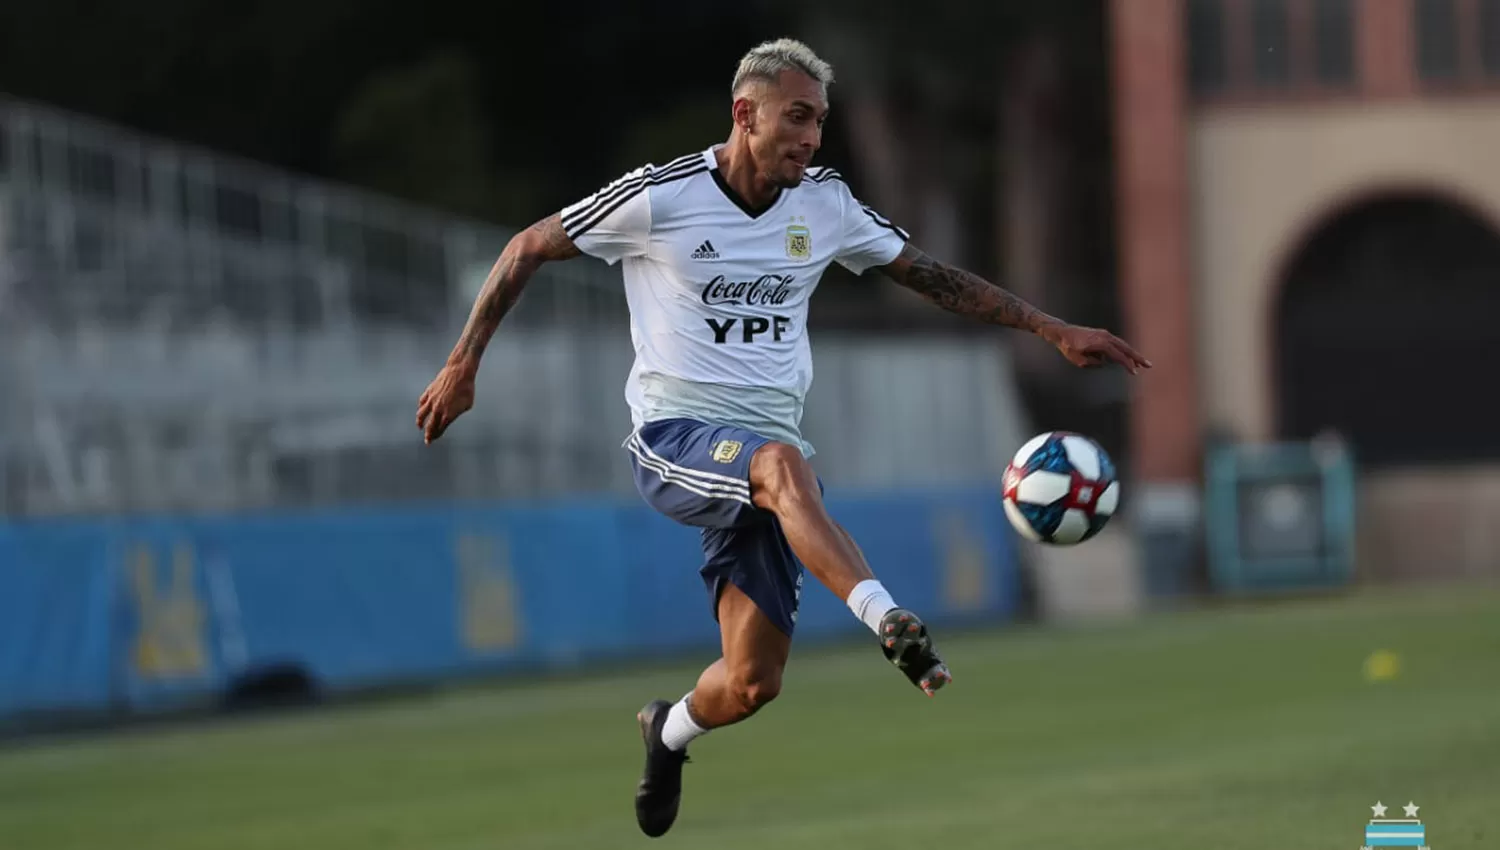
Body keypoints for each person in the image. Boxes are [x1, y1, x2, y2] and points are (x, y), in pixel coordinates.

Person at [416, 37, 1151, 838]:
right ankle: (890, 622)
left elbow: (931, 275)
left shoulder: (825, 205)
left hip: (773, 470)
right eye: (797, 117)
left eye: (821, 122)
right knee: (780, 464)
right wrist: (462, 366)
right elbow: (527, 245)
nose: (811, 137)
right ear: (745, 113)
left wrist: (1048, 327)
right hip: (678, 436)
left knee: (751, 683)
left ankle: (666, 733)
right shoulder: (661, 198)